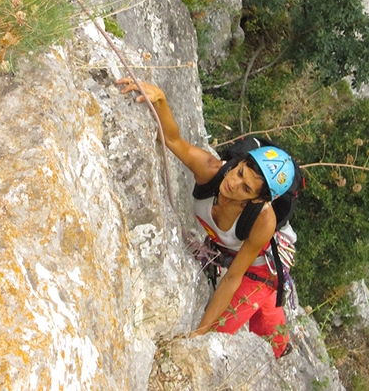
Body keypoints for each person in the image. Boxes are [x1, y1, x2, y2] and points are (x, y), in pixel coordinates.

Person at [117, 78, 295, 358]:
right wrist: (161, 100)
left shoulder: (263, 220)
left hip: (259, 271)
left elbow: (233, 278)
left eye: (246, 188)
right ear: (239, 163)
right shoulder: (212, 171)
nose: (233, 184)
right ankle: (277, 332)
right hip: (227, 253)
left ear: (258, 200)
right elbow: (174, 140)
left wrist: (200, 334)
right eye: (239, 173)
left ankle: (280, 350)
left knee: (230, 332)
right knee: (263, 314)